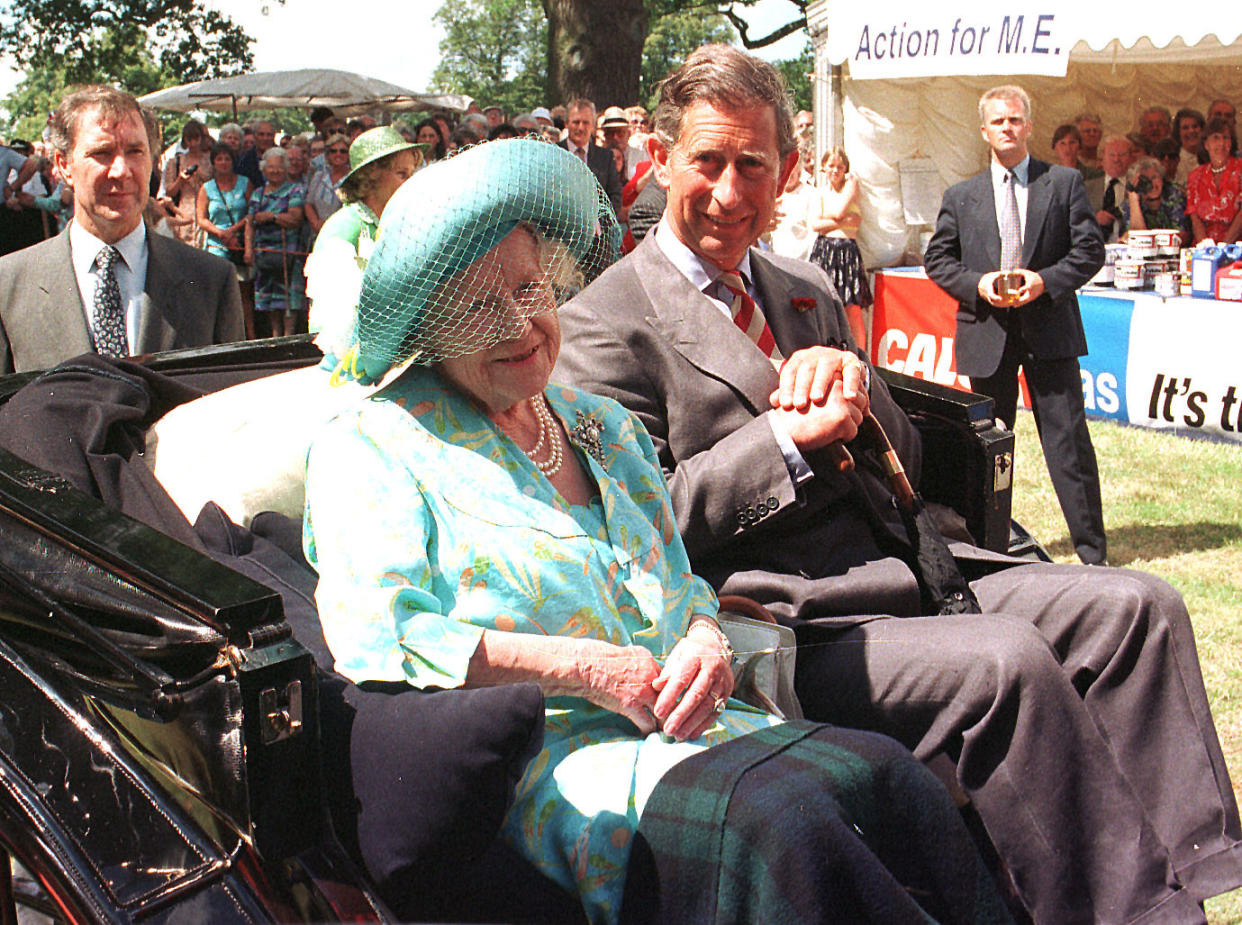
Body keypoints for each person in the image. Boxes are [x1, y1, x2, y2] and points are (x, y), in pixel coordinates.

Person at [556, 46, 1242, 922]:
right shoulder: (603, 322)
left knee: (1138, 607)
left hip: (916, 569)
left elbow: (908, 464)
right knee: (1006, 664)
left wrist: (854, 381)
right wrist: (785, 438)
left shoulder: (804, 290)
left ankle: (1192, 877)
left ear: (788, 172)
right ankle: (1128, 911)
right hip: (792, 624)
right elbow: (644, 523)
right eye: (707, 162)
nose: (730, 192)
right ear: (661, 159)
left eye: (752, 165)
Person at [303, 136, 1007, 925]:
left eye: (529, 287)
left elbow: (682, 582)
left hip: (707, 727)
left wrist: (706, 638)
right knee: (780, 825)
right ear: (427, 327)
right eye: (476, 307)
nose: (522, 324)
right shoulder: (372, 441)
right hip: (555, 764)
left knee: (888, 776)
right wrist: (586, 667)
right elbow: (380, 634)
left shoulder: (601, 425)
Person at [927, 85, 1107, 564]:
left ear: (1028, 125)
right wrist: (979, 284)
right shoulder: (961, 196)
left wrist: (1044, 281)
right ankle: (988, 546)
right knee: (987, 448)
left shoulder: (1063, 183)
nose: (1007, 128)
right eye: (998, 121)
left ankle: (1093, 553)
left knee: (1068, 443)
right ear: (984, 130)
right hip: (987, 334)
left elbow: (1091, 251)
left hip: (1050, 333)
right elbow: (938, 260)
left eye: (1015, 120)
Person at [0, 86, 242, 373]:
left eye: (135, 151)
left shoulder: (210, 280)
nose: (121, 170)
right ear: (64, 166)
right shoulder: (8, 284)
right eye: (102, 153)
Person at [306, 125, 421, 371]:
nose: (411, 182)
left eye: (412, 173)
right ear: (371, 176)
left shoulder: (399, 222)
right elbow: (327, 314)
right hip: (348, 364)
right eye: (402, 174)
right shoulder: (344, 226)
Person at [808, 146, 872, 333]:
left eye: (840, 167)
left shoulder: (852, 185)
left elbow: (838, 212)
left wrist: (830, 218)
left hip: (847, 251)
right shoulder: (819, 192)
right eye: (831, 165)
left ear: (846, 169)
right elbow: (814, 225)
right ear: (823, 167)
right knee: (823, 305)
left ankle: (861, 358)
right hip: (824, 250)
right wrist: (844, 222)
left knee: (852, 309)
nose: (835, 170)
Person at [196, 142, 255, 337]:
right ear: (213, 162)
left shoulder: (245, 183)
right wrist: (220, 233)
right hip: (216, 245)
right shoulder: (207, 188)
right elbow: (201, 218)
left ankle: (249, 335)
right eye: (219, 159)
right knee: (217, 293)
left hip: (240, 243)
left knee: (244, 294)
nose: (223, 162)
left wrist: (233, 230)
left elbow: (251, 212)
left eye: (227, 158)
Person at [244, 146, 304, 337]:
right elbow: (250, 222)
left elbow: (295, 219)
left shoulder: (295, 190)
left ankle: (288, 334)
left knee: (287, 297)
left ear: (286, 168)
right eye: (271, 167)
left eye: (279, 167)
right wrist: (248, 249)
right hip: (263, 252)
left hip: (287, 252)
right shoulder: (258, 193)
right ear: (264, 169)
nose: (275, 171)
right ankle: (275, 334)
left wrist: (272, 216)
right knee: (269, 299)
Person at [558, 98, 622, 216]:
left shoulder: (606, 157)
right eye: (576, 122)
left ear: (593, 126)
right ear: (566, 124)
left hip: (597, 230)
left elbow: (615, 196)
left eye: (586, 123)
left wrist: (598, 222)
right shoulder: (554, 154)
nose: (581, 128)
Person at [1186, 116, 1242, 244]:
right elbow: (1195, 218)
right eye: (1216, 137)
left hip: (1236, 246)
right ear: (1206, 144)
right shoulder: (1195, 176)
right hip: (1204, 246)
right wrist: (1207, 249)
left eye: (1226, 138)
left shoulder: (1240, 169)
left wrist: (1223, 247)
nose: (1221, 143)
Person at [1123, 155, 1189, 244]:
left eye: (1154, 177)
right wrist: (1134, 199)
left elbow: (1182, 236)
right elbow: (1136, 237)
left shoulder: (1174, 194)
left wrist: (1150, 242)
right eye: (1145, 180)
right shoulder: (1131, 201)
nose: (1151, 184)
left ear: (1161, 178)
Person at [1086, 134, 1133, 243]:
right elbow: (1075, 219)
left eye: (1122, 155)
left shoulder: (1136, 186)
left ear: (1130, 158)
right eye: (1112, 155)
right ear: (1102, 157)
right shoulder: (1087, 187)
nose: (1117, 159)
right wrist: (1094, 218)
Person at [1174, 107, 1206, 184]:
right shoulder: (1175, 161)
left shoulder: (1211, 157)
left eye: (1195, 126)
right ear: (1178, 132)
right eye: (1185, 128)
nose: (1191, 131)